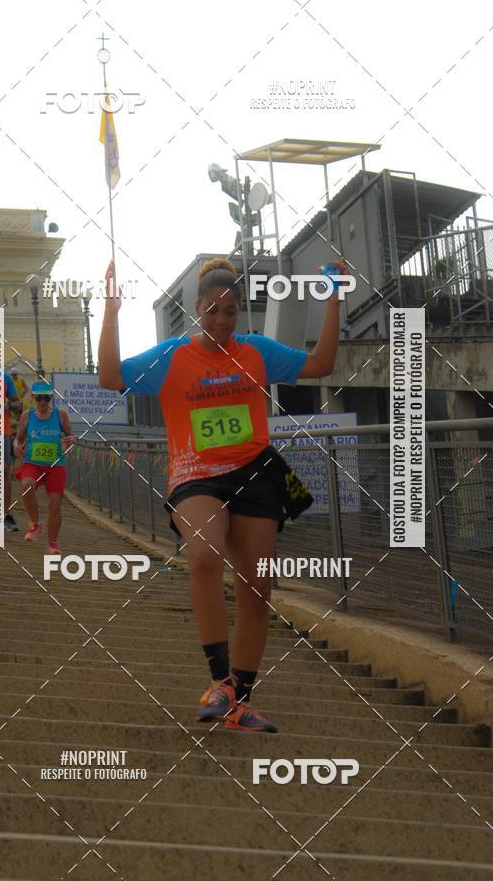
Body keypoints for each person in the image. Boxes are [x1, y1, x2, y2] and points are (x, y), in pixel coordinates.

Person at [99, 257, 343, 732]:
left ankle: (238, 702)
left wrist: (334, 297)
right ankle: (218, 682)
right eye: (212, 311)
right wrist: (111, 311)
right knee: (206, 556)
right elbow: (110, 378)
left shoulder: (255, 352)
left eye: (230, 311)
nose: (221, 321)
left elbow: (322, 364)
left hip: (255, 473)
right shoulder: (172, 356)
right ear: (196, 310)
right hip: (196, 476)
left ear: (238, 313)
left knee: (257, 588)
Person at [13, 381, 75, 555]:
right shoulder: (27, 416)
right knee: (26, 486)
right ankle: (35, 524)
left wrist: (70, 442)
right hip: (33, 463)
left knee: (55, 504)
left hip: (55, 465)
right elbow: (18, 438)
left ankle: (52, 543)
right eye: (39, 398)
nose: (42, 402)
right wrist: (15, 445)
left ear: (51, 398)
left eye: (46, 399)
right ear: (33, 398)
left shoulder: (60, 415)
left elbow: (71, 436)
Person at [3, 372, 22, 531]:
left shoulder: (4, 377)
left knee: (4, 471)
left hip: (1, 431)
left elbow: (18, 405)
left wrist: (7, 405)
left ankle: (6, 515)